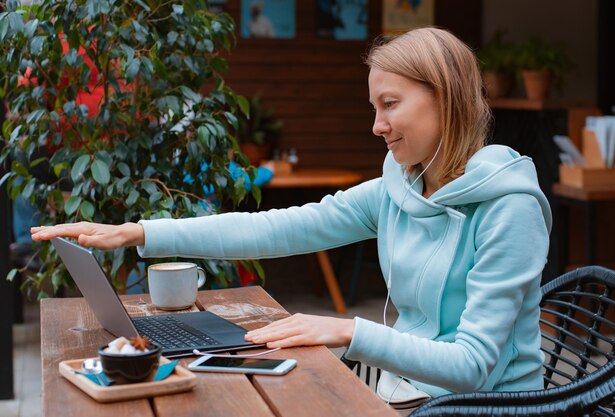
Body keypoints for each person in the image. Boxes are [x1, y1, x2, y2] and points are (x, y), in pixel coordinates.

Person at [31, 28, 551, 401]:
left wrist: (349, 332)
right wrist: (138, 231)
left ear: (447, 100)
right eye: (375, 107)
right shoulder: (401, 188)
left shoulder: (510, 209)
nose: (377, 125)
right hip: (406, 392)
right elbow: (276, 226)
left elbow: (473, 366)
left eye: (389, 104)